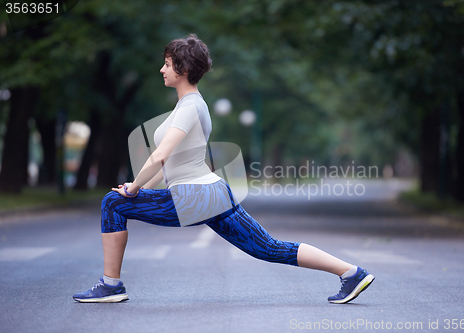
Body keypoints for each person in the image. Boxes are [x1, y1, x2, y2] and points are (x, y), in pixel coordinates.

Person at [72, 34, 374, 304]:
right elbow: (179, 161)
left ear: (184, 69)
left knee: (114, 203)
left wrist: (134, 188)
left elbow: (161, 156)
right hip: (209, 193)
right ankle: (350, 272)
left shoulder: (190, 107)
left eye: (166, 64)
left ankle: (111, 286)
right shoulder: (190, 105)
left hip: (195, 197)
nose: (161, 70)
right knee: (268, 247)